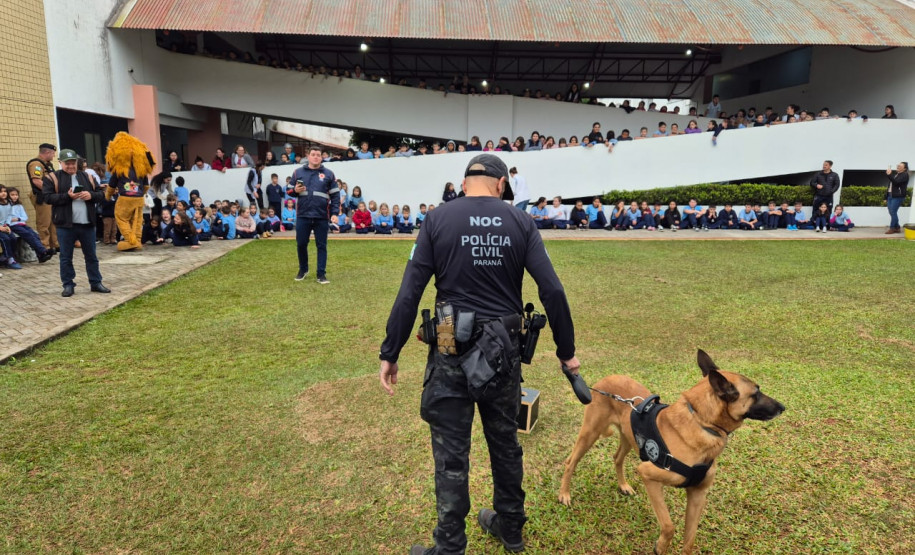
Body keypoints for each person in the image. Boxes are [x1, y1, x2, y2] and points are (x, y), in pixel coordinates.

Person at [378, 153, 578, 555]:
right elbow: (552, 290)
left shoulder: (438, 218)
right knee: (505, 444)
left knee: (451, 453)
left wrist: (391, 350)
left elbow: (410, 291)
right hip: (502, 350)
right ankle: (511, 529)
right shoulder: (520, 221)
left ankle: (450, 546)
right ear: (501, 185)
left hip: (451, 342)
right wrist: (567, 352)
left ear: (464, 182)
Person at [42, 149, 109, 297]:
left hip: (87, 223)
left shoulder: (88, 176)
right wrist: (68, 196)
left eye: (73, 163)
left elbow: (101, 195)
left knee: (91, 256)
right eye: (67, 163)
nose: (71, 166)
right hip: (65, 225)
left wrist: (90, 195)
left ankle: (96, 282)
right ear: (60, 163)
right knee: (66, 256)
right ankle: (68, 285)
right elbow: (47, 198)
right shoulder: (51, 178)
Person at [287, 147, 339, 284]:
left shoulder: (329, 174)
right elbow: (288, 191)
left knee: (321, 246)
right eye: (313, 154)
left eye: (318, 155)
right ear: (308, 156)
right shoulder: (298, 172)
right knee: (301, 244)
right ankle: (303, 269)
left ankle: (321, 274)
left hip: (321, 216)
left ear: (321, 157)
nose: (316, 157)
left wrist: (334, 213)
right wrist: (294, 190)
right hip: (303, 215)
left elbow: (335, 195)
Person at [26, 143, 60, 253]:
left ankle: (54, 244)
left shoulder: (47, 164)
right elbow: (36, 180)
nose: (54, 156)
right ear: (47, 152)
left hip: (49, 196)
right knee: (44, 222)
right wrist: (50, 190)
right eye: (53, 154)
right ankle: (44, 247)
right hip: (42, 196)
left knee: (52, 221)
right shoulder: (36, 164)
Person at [885, 162, 909, 234]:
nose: (898, 166)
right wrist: (885, 196)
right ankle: (897, 227)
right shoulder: (896, 175)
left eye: (900, 165)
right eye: (898, 165)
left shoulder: (905, 175)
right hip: (890, 195)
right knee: (891, 212)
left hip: (898, 196)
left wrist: (889, 175)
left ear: (904, 168)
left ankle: (892, 228)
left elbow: (896, 183)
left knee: (893, 211)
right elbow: (890, 186)